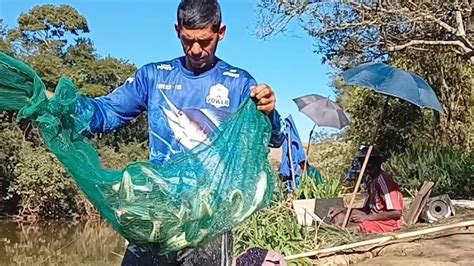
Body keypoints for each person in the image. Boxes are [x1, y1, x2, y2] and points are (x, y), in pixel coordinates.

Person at [47, 0, 285, 264]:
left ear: (221, 32)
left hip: (208, 223)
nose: (195, 49)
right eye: (187, 40)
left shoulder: (239, 83)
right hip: (155, 215)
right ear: (177, 31)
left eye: (205, 41)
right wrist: (60, 105)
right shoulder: (153, 76)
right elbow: (105, 113)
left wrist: (269, 112)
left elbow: (273, 138)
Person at [328, 147, 404, 233]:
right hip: (371, 217)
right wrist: (342, 210)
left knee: (355, 227)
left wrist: (366, 218)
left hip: (387, 223)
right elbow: (365, 211)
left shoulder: (383, 180)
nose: (367, 166)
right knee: (339, 216)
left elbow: (396, 213)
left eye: (370, 163)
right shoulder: (371, 181)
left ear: (377, 163)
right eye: (363, 162)